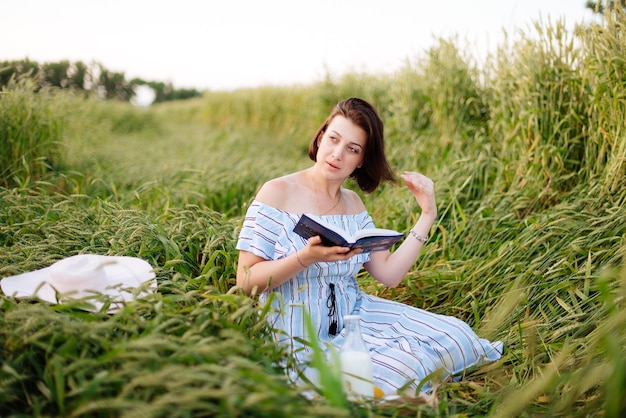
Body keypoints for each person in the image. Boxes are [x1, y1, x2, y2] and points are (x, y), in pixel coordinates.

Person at [236, 97, 502, 396]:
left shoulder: (353, 202)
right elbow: (246, 281)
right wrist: (304, 258)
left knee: (457, 336)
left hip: (355, 312)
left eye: (352, 149)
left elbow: (388, 275)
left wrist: (428, 215)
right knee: (397, 371)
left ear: (360, 160)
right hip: (297, 327)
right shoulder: (277, 192)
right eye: (333, 139)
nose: (337, 154)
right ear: (321, 137)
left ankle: (400, 376)